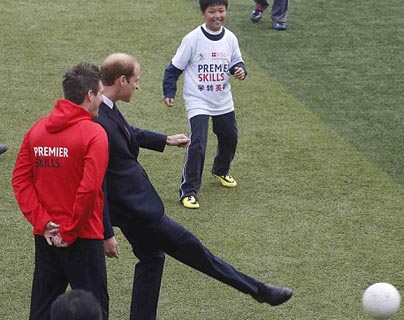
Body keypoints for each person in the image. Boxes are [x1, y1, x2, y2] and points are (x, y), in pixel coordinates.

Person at [97, 52, 292, 320]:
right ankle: (258, 290)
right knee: (198, 253)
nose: (138, 85)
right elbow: (98, 181)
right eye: (136, 80)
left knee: (153, 258)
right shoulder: (100, 120)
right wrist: (106, 232)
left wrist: (165, 140)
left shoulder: (106, 108)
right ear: (122, 80)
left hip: (134, 208)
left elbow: (129, 132)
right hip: (139, 211)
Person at [11, 64, 109, 320]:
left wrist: (43, 224)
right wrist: (69, 230)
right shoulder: (94, 134)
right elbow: (88, 190)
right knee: (94, 311)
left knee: (42, 310)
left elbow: (20, 180)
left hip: (46, 238)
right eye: (100, 94)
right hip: (83, 236)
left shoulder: (37, 130)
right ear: (89, 95)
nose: (101, 99)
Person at [163, 0, 246, 209]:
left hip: (222, 99)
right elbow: (173, 69)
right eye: (212, 11)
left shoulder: (230, 38)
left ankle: (220, 170)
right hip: (197, 100)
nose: (217, 15)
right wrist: (169, 92)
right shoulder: (192, 39)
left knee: (230, 137)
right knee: (198, 144)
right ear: (203, 13)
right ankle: (188, 191)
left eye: (221, 11)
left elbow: (237, 62)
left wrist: (240, 70)